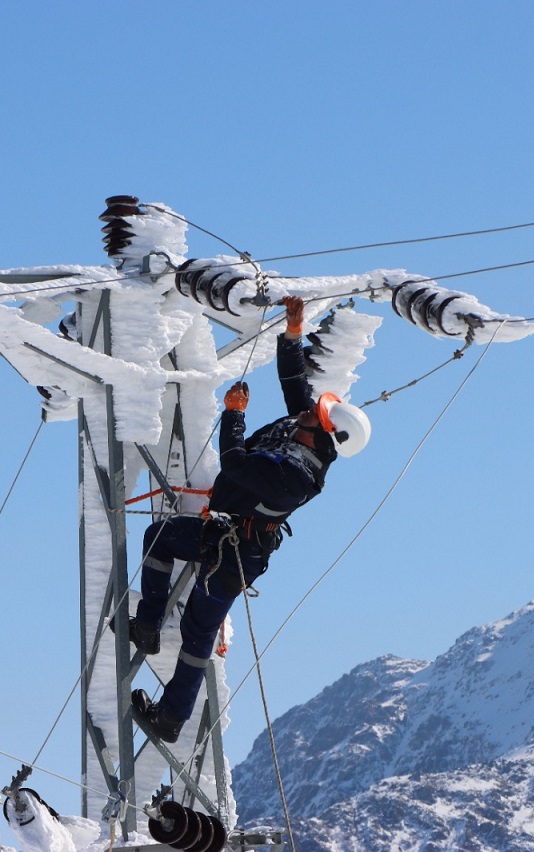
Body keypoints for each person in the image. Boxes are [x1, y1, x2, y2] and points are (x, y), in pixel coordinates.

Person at [130, 295, 371, 743]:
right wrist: (293, 331)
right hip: (225, 536)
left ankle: (171, 716)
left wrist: (234, 415)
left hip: (235, 554)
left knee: (197, 629)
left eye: (315, 416)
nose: (307, 409)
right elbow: (294, 382)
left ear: (325, 436)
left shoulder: (297, 476)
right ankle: (147, 625)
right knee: (160, 541)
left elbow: (235, 463)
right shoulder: (304, 432)